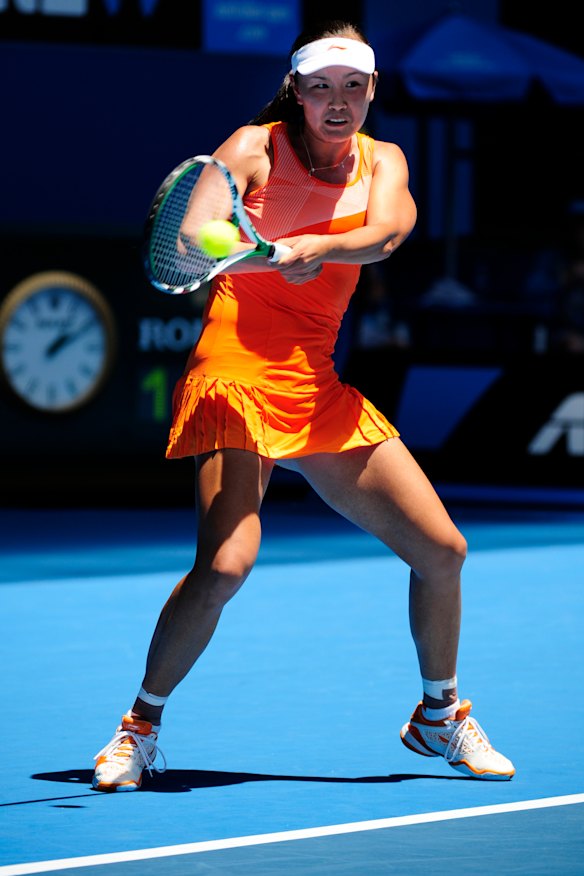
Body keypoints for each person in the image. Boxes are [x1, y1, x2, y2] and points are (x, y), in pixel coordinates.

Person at [92, 20, 515, 791]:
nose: (337, 102)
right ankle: (138, 729)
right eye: (321, 87)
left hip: (314, 385)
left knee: (443, 551)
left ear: (372, 92)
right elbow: (188, 234)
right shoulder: (254, 147)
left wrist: (315, 247)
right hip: (234, 369)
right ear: (297, 90)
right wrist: (247, 245)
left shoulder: (384, 161)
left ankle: (438, 716)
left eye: (354, 87)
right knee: (225, 566)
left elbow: (388, 234)